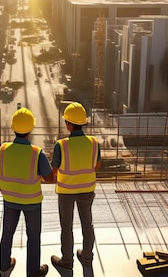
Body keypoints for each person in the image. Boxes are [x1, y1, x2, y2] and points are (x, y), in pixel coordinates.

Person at [0, 107, 53, 277]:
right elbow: (50, 178)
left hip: (10, 199)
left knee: (7, 234)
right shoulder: (37, 153)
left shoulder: (3, 149)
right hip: (31, 202)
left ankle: (4, 268)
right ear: (31, 128)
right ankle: (33, 272)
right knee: (33, 237)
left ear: (13, 127)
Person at [50, 102, 101, 272]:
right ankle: (87, 258)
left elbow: (54, 170)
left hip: (66, 192)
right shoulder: (94, 143)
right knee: (88, 224)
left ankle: (67, 261)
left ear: (69, 124)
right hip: (87, 190)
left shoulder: (61, 145)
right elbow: (97, 166)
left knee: (67, 227)